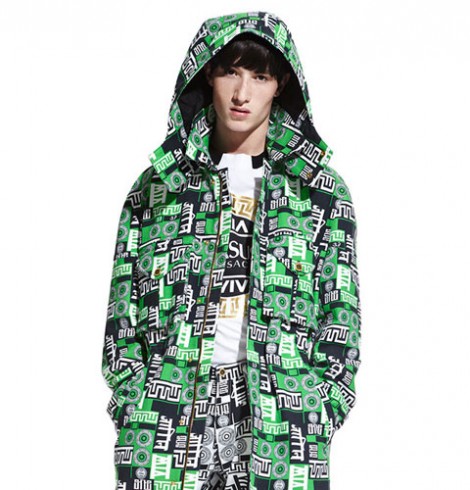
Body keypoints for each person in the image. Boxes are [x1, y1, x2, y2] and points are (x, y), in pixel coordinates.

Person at [101, 11, 361, 490]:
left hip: (280, 411)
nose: (242, 93)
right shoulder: (158, 188)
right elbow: (123, 310)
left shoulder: (319, 192)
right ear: (207, 75)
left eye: (259, 76)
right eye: (230, 72)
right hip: (169, 407)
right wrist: (133, 398)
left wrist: (324, 404)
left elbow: (340, 308)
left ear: (280, 84)